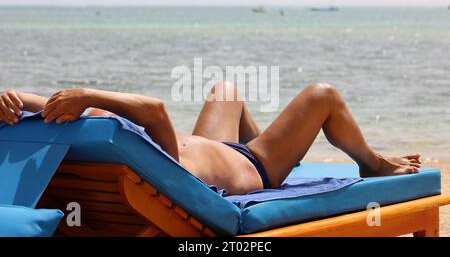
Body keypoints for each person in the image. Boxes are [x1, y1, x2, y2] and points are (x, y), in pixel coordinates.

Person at [0, 82, 421, 195]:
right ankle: (370, 161)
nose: (97, 113)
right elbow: (156, 111)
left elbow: (39, 103)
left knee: (225, 89)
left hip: (213, 148)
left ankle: (287, 155)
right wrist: (89, 94)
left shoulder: (107, 139)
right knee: (322, 96)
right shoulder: (158, 164)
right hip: (253, 166)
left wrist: (9, 98)